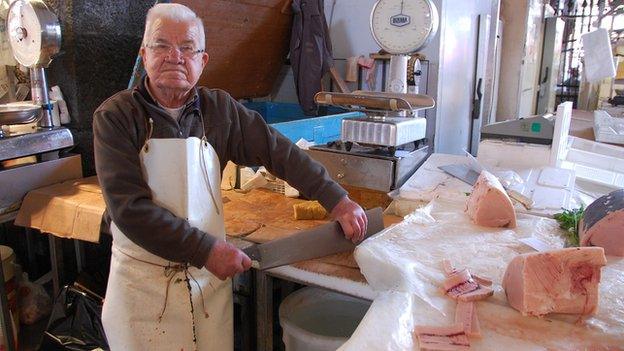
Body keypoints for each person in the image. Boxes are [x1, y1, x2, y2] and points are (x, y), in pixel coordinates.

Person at [92, 3, 367, 350]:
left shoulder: (219, 109)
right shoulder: (115, 116)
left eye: (187, 47)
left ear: (202, 61)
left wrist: (336, 198)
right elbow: (129, 209)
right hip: (143, 289)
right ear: (144, 54)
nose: (174, 56)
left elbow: (277, 151)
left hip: (206, 285)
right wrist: (205, 249)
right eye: (161, 45)